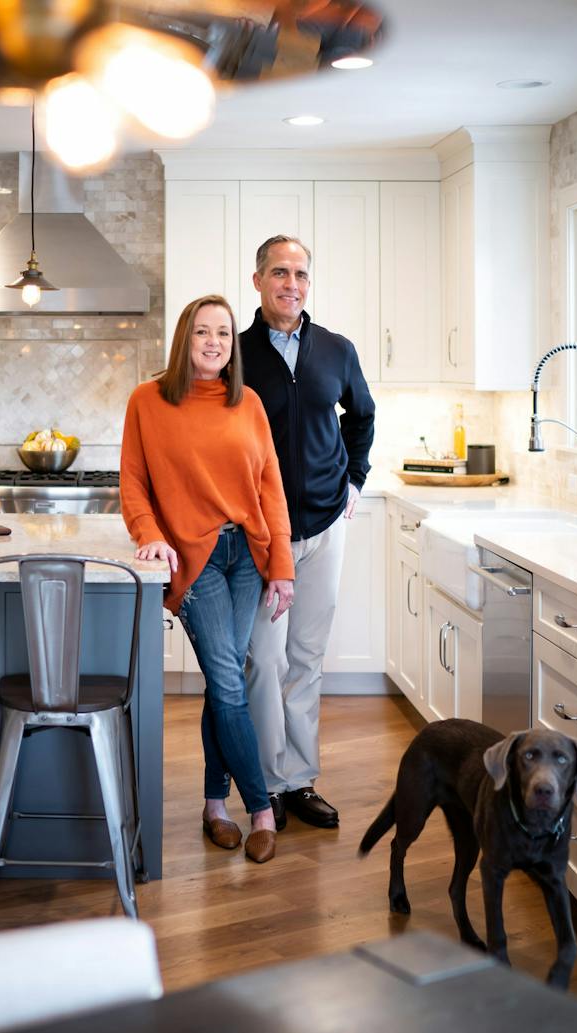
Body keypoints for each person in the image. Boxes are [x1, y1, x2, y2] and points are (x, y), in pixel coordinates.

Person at [120, 294, 295, 864]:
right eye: (202, 333)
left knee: (227, 684)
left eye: (223, 333)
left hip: (246, 555)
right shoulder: (147, 401)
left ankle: (214, 808)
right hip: (192, 560)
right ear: (184, 340)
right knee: (227, 681)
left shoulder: (249, 405)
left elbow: (270, 489)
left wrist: (282, 566)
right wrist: (149, 532)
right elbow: (133, 483)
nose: (214, 342)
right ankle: (261, 808)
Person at [240, 235, 375, 832]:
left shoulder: (335, 350)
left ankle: (299, 780)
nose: (290, 283)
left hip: (324, 526)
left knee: (306, 658)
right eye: (278, 272)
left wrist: (355, 480)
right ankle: (264, 785)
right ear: (258, 280)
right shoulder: (236, 354)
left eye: (299, 274)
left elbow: (362, 415)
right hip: (262, 536)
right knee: (264, 661)